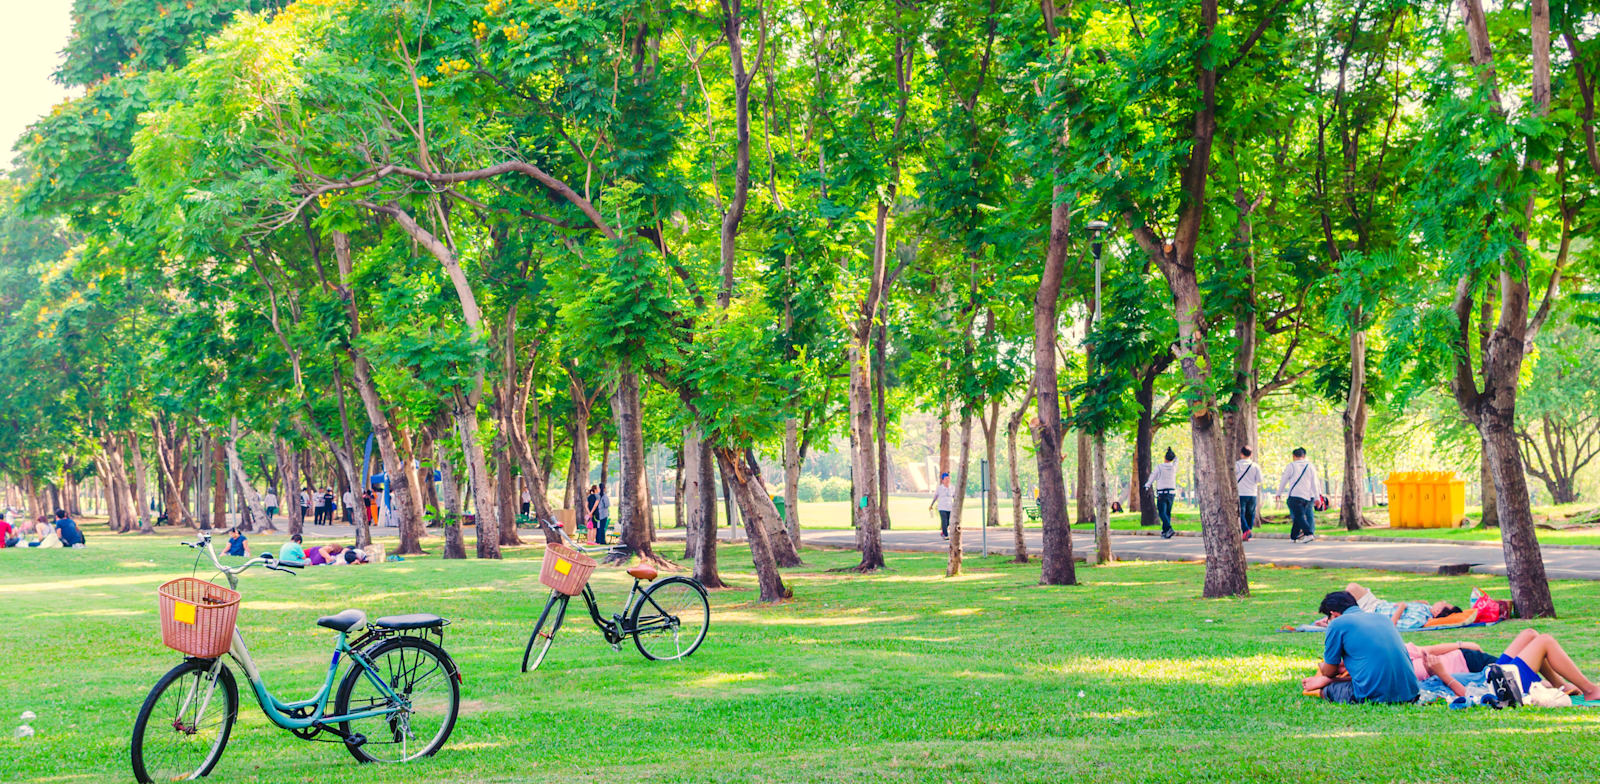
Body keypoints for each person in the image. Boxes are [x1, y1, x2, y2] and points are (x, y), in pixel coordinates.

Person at [1301, 591, 1419, 704]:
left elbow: (1329, 672)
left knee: (1328, 689)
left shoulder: (1337, 623)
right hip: (1410, 693)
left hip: (1375, 696)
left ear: (1334, 614)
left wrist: (1323, 668)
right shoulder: (1383, 618)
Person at [1278, 447, 1322, 543]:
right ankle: (1293, 537)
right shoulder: (1310, 466)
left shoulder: (1291, 466)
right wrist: (1317, 497)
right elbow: (1315, 483)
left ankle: (1309, 534)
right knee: (1299, 516)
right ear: (1304, 456)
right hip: (1307, 497)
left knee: (1299, 516)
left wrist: (1279, 493)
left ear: (1293, 456)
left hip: (1294, 495)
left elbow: (1283, 480)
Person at [1145, 448, 1179, 539]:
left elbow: (1152, 476)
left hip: (1162, 493)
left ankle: (1169, 528)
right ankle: (1165, 532)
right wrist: (1171, 451)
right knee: (1167, 513)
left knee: (1161, 512)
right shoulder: (1174, 467)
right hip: (1171, 493)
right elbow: (1176, 459)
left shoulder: (1159, 467)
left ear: (1164, 457)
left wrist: (1147, 485)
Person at [1235, 446, 1263, 541]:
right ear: (1251, 454)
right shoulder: (1255, 466)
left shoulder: (1237, 465)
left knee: (1241, 513)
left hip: (1240, 493)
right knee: (1250, 513)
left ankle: (1246, 530)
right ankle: (1248, 531)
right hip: (1252, 493)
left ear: (1241, 454)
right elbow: (1259, 480)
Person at [931, 473, 954, 540]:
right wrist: (932, 504)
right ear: (943, 480)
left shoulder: (952, 487)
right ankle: (945, 535)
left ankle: (943, 532)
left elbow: (954, 496)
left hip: (950, 507)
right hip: (942, 507)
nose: (947, 480)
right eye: (946, 479)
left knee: (948, 522)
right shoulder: (940, 488)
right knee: (944, 520)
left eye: (948, 479)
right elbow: (936, 496)